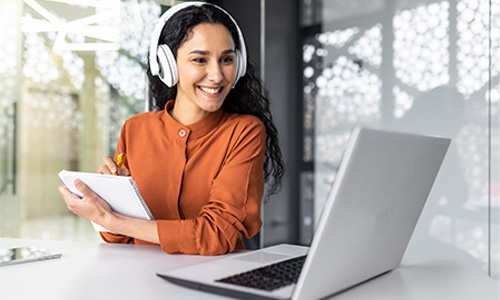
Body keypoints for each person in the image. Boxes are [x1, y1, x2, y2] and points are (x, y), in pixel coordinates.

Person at [59, 2, 284, 256]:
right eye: (200, 59)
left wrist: (114, 220)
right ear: (167, 64)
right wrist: (110, 203)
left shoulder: (244, 132)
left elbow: (218, 235)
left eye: (227, 59)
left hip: (210, 283)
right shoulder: (135, 129)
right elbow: (118, 241)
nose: (217, 75)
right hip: (140, 283)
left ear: (239, 65)